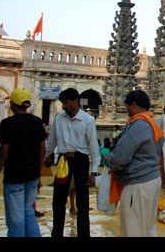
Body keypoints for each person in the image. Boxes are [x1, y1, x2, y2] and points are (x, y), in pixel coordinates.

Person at [106, 90, 164, 237]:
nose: (127, 112)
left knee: (134, 229)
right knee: (148, 227)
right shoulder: (153, 124)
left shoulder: (138, 124)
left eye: (126, 107)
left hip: (138, 184)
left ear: (133, 106)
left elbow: (120, 158)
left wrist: (110, 161)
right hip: (152, 180)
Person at [0, 88, 47, 237]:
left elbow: (3, 154)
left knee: (15, 218)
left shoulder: (7, 123)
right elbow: (43, 150)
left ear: (13, 105)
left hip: (15, 176)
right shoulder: (37, 122)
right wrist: (38, 172)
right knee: (28, 210)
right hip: (32, 175)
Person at [45, 88, 100, 237]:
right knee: (58, 199)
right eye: (63, 103)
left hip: (81, 161)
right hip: (63, 160)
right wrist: (47, 155)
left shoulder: (88, 120)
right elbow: (52, 142)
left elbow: (93, 146)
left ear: (76, 101)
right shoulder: (59, 119)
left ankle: (84, 234)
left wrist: (94, 171)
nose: (64, 106)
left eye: (67, 103)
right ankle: (57, 233)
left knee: (83, 200)